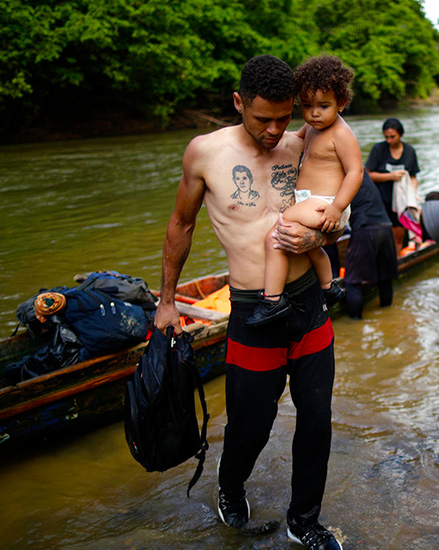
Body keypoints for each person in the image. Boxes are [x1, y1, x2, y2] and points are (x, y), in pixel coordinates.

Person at [153, 54, 344, 550]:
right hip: (254, 309)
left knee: (317, 419)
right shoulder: (205, 153)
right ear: (239, 103)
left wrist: (329, 232)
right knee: (251, 424)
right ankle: (230, 484)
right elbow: (182, 225)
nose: (276, 129)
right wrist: (168, 301)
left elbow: (337, 203)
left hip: (305, 302)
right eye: (264, 119)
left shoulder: (303, 143)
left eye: (285, 117)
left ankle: (305, 520)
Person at [248, 54, 362, 327]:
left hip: (326, 203)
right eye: (308, 106)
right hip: (312, 201)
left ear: (341, 103)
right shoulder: (312, 126)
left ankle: (272, 301)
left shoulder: (341, 134)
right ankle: (329, 285)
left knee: (277, 235)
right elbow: (293, 139)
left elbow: (355, 172)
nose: (314, 113)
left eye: (324, 106)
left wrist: (337, 207)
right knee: (309, 248)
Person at [343, 169, 399, 319]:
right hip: (385, 227)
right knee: (384, 277)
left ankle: (355, 323)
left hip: (365, 228)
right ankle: (388, 315)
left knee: (352, 281)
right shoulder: (361, 171)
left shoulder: (341, 173)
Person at [365, 118, 420, 255]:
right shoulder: (379, 149)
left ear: (400, 135)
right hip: (381, 200)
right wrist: (390, 176)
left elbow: (413, 176)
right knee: (383, 235)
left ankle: (397, 261)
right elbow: (367, 175)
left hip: (401, 200)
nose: (389, 140)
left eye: (393, 137)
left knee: (399, 234)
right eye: (386, 137)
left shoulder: (409, 151)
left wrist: (413, 193)